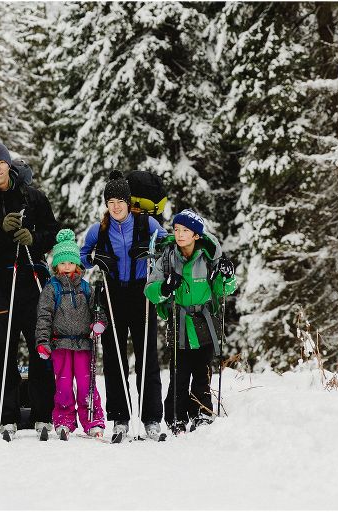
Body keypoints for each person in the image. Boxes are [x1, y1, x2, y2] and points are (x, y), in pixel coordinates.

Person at [0, 139, 60, 439]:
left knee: (40, 346)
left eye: (1, 162)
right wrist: (3, 233)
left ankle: (44, 414)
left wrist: (33, 237)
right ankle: (5, 415)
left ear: (9, 165)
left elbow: (53, 234)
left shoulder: (33, 198)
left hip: (33, 279)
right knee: (2, 349)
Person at [80, 170, 167, 441]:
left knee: (146, 356)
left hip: (142, 293)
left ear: (129, 203)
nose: (116, 206)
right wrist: (97, 259)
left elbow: (167, 243)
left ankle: (152, 418)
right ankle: (120, 418)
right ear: (106, 205)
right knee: (114, 356)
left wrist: (152, 251)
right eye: (111, 202)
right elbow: (83, 257)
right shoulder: (99, 229)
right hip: (112, 292)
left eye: (120, 201)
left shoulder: (146, 223)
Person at [145, 209, 236, 434]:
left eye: (186, 230)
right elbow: (150, 290)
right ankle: (176, 416)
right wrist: (165, 287)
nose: (180, 234)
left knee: (202, 372)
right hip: (179, 319)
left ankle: (202, 413)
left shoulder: (207, 257)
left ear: (196, 235)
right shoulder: (167, 257)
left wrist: (227, 276)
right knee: (179, 373)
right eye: (176, 230)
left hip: (205, 321)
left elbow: (223, 289)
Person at [35, 229, 105, 440]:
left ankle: (93, 420)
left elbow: (97, 310)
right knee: (63, 384)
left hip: (84, 344)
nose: (67, 267)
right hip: (61, 345)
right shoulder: (51, 288)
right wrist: (43, 341)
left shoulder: (85, 288)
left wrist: (99, 322)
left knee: (87, 385)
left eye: (70, 263)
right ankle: (64, 420)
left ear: (77, 264)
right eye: (62, 263)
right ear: (56, 265)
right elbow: (44, 316)